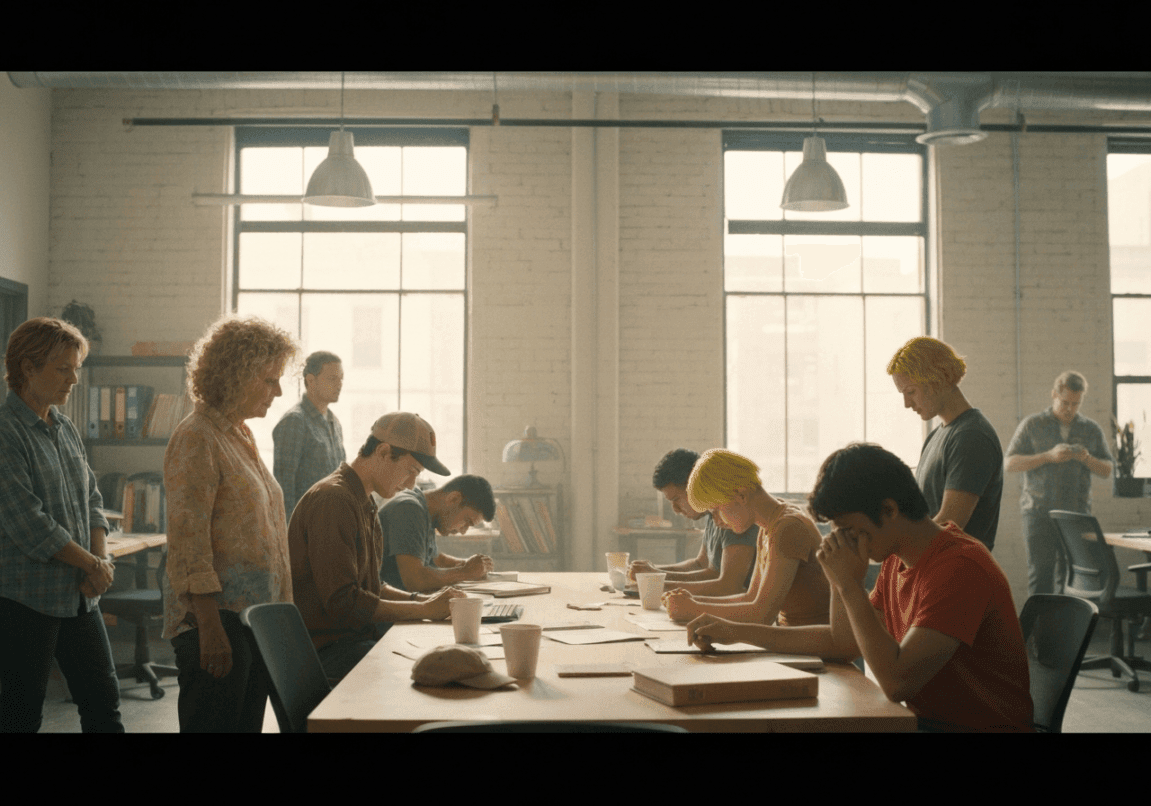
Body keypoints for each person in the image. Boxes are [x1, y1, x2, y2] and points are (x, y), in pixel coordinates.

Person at [687, 443, 1034, 733]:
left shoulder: (960, 567)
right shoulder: (896, 558)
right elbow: (843, 643)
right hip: (921, 720)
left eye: (848, 528)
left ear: (889, 510)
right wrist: (736, 632)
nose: (843, 540)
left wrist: (849, 585)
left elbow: (898, 683)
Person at [163, 314, 297, 733]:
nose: (278, 391)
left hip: (251, 619)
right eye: (269, 380)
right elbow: (189, 543)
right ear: (235, 375)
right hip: (216, 621)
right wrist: (208, 627)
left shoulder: (238, 433)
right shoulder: (196, 435)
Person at [0, 317, 122, 733]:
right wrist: (90, 564)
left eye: (76, 368)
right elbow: (29, 523)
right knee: (20, 717)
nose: (73, 379)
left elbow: (91, 498)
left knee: (104, 707)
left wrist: (100, 563)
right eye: (62, 369)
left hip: (80, 595)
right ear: (27, 368)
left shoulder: (63, 426)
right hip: (25, 601)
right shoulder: (6, 431)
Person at [289, 411, 466, 681]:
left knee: (451, 658)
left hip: (355, 642)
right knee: (444, 677)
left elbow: (373, 586)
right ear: (383, 452)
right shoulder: (334, 500)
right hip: (329, 654)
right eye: (411, 471)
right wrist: (424, 610)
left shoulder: (364, 500)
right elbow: (343, 603)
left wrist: (423, 601)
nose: (411, 484)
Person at [661, 449, 830, 628]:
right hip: (791, 640)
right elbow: (751, 598)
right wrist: (691, 601)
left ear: (741, 495)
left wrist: (694, 608)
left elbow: (762, 614)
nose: (717, 521)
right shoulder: (767, 525)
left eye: (716, 509)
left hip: (815, 650)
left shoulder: (788, 527)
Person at [888, 335, 1003, 551]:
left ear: (935, 380)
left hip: (959, 575)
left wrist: (894, 543)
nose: (906, 404)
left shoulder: (971, 437)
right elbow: (922, 516)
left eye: (911, 392)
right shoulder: (937, 436)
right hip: (935, 569)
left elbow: (950, 524)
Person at [1005, 371, 1113, 596]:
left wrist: (1086, 458)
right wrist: (1047, 456)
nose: (1070, 409)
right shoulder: (1032, 424)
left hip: (1076, 514)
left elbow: (1107, 470)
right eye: (1065, 402)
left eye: (1076, 404)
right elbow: (1009, 463)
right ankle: (1040, 631)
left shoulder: (1090, 429)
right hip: (1037, 513)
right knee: (1040, 575)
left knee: (1074, 576)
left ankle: (1067, 629)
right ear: (1054, 394)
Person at [627, 448, 757, 595]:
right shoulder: (713, 515)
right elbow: (700, 565)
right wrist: (653, 572)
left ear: (694, 484)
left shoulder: (732, 516)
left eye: (677, 499)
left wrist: (656, 582)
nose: (675, 510)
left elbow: (728, 585)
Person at [379, 472, 497, 593]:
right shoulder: (409, 510)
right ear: (453, 499)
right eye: (467, 521)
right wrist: (466, 572)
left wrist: (464, 564)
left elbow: (436, 559)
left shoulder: (425, 510)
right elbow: (415, 580)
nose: (463, 531)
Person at [273, 350, 346, 521]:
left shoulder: (334, 422)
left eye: (341, 378)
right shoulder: (294, 421)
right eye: (332, 378)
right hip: (304, 526)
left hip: (330, 522)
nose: (339, 384)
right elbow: (284, 487)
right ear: (311, 380)